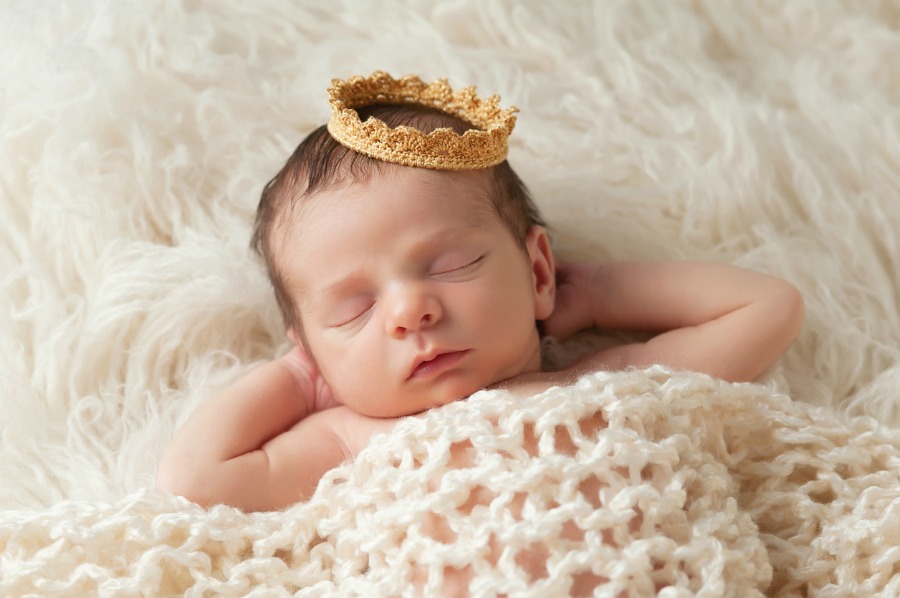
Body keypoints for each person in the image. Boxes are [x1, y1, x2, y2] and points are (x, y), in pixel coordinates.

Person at [156, 73, 804, 512]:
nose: (411, 310)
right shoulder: (349, 440)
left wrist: (598, 294)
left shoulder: (602, 385)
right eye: (353, 309)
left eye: (451, 264)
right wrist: (300, 378)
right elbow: (195, 481)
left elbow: (768, 308)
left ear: (538, 273)